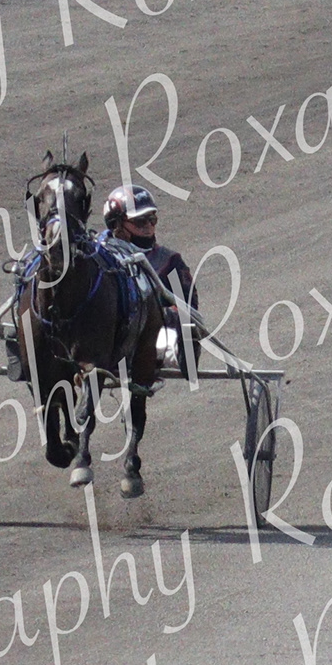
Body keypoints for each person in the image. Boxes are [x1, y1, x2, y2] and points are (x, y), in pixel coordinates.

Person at [102, 182, 198, 492]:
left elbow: (188, 309)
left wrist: (157, 315)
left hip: (153, 337)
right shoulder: (98, 258)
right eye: (141, 220)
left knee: (158, 346)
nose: (149, 226)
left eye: (152, 219)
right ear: (118, 224)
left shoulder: (169, 261)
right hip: (104, 337)